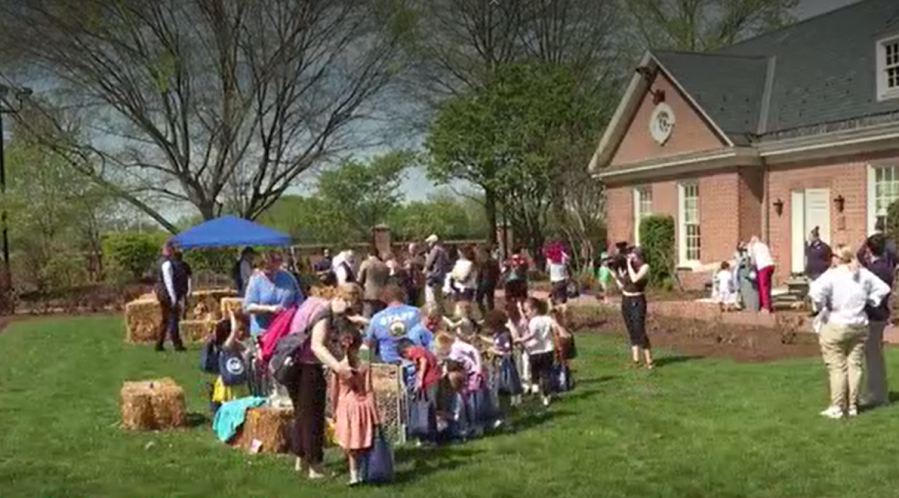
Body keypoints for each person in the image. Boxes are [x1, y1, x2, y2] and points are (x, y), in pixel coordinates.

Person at [284, 284, 362, 479]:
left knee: (301, 414)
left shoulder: (311, 302)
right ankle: (315, 467)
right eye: (352, 305)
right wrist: (339, 368)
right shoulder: (324, 313)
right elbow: (317, 346)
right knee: (313, 417)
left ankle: (299, 459)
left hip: (292, 364)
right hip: (308, 367)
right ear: (347, 299)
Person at [809, 245, 890, 419]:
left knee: (837, 366)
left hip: (836, 322)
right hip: (859, 324)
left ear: (838, 257)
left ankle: (837, 406)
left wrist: (821, 306)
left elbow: (815, 293)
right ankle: (852, 405)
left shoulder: (832, 275)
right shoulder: (862, 273)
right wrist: (871, 300)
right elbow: (884, 289)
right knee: (855, 365)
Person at [329, 324, 380, 486]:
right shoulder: (365, 362)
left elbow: (334, 390)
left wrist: (333, 409)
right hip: (363, 404)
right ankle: (365, 473)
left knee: (351, 445)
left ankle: (353, 475)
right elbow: (370, 386)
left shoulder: (339, 366)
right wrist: (375, 411)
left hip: (346, 406)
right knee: (364, 441)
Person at [859, 234, 894, 408]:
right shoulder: (886, 267)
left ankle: (876, 394)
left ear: (869, 249)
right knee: (875, 356)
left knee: (873, 358)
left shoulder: (873, 270)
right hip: (881, 315)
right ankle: (877, 392)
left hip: (873, 316)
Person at [243, 250, 304, 339]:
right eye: (266, 268)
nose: (270, 271)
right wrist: (269, 309)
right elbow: (247, 307)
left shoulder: (288, 277)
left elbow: (299, 299)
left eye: (272, 267)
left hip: (286, 329)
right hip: (263, 332)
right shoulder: (256, 280)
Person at [613, 247, 654, 369]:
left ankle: (649, 360)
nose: (632, 260)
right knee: (631, 329)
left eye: (634, 257)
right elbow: (623, 286)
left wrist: (628, 265)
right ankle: (635, 361)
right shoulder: (628, 268)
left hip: (638, 300)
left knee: (639, 329)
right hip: (626, 299)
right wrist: (615, 275)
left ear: (640, 257)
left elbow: (635, 279)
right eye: (631, 257)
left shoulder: (645, 267)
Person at [397, 338, 442, 444]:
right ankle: (430, 436)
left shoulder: (416, 351)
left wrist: (420, 379)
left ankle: (435, 435)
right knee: (429, 409)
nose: (409, 359)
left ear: (405, 351)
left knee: (430, 408)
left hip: (430, 381)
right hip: (431, 381)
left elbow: (423, 361)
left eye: (406, 357)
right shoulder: (422, 350)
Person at [365, 284, 423, 364]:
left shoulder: (377, 318)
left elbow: (368, 344)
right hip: (417, 363)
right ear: (403, 296)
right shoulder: (417, 313)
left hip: (389, 366)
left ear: (384, 299)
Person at [209, 310, 250, 416]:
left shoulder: (237, 345)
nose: (241, 332)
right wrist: (232, 316)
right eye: (240, 329)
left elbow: (248, 351)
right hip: (229, 385)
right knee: (231, 410)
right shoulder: (226, 346)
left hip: (238, 383)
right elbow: (234, 331)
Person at [517, 297, 556, 406]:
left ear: (534, 310)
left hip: (535, 351)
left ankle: (535, 393)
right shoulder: (547, 319)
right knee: (546, 373)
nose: (526, 314)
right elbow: (554, 328)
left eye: (527, 311)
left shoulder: (534, 322)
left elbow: (531, 335)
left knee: (535, 373)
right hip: (548, 350)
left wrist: (520, 340)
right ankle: (547, 396)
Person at [154, 240, 188, 352]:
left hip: (160, 293)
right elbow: (169, 282)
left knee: (165, 319)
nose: (174, 251)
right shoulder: (167, 263)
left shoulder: (159, 261)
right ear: (169, 250)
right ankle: (177, 344)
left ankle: (159, 344)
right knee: (173, 319)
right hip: (167, 294)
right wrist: (173, 298)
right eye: (173, 249)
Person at [484, 309, 522, 408]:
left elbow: (507, 351)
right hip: (497, 364)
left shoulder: (505, 334)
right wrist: (482, 339)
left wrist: (493, 351)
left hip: (504, 365)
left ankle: (507, 407)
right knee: (497, 387)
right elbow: (495, 342)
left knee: (504, 386)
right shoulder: (497, 334)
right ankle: (502, 406)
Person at [358, 246, 390, 319]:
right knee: (381, 317)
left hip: (368, 295)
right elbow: (387, 281)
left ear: (369, 254)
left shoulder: (366, 264)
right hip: (382, 295)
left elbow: (360, 280)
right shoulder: (384, 266)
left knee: (367, 317)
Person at [748, 236, 775, 313]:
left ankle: (765, 307)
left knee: (763, 287)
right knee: (768, 286)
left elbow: (752, 260)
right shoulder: (764, 245)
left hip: (762, 267)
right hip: (771, 265)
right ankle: (769, 305)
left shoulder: (753, 246)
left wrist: (752, 268)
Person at [424, 234, 449, 313]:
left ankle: (438, 313)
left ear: (433, 242)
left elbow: (428, 264)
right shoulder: (443, 251)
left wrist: (427, 257)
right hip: (440, 276)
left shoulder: (435, 250)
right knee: (438, 297)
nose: (428, 244)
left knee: (433, 298)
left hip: (434, 277)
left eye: (429, 242)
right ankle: (442, 312)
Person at [546, 241, 571, 313]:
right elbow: (568, 265)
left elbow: (547, 269)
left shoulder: (550, 260)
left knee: (550, 299)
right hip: (563, 281)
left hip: (554, 281)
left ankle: (555, 309)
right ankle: (564, 315)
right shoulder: (564, 258)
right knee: (563, 301)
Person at [476, 245, 500, 316]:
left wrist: (478, 281)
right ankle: (491, 313)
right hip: (492, 282)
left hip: (484, 282)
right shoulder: (494, 261)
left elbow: (480, 272)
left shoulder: (484, 262)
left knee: (479, 298)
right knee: (490, 299)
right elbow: (498, 272)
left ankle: (484, 313)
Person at [734, 242, 759, 312]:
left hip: (746, 272)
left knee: (747, 289)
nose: (743, 247)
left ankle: (746, 304)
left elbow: (750, 261)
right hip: (739, 272)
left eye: (744, 245)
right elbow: (739, 261)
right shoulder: (737, 253)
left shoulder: (747, 252)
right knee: (739, 289)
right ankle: (740, 304)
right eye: (742, 245)